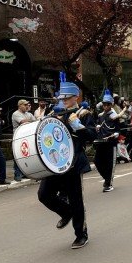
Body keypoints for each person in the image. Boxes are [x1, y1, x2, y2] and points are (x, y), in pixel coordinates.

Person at [37, 72, 96, 249]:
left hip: (74, 163)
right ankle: (66, 212)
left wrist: (78, 125)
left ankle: (81, 234)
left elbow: (92, 136)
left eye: (67, 98)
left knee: (76, 199)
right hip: (55, 163)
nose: (63, 101)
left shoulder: (83, 113)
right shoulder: (54, 114)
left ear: (76, 97)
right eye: (61, 98)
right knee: (44, 195)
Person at [94, 89, 120, 193]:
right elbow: (98, 126)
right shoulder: (101, 116)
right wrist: (97, 126)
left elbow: (118, 130)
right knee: (97, 161)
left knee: (110, 164)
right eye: (104, 105)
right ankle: (106, 178)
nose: (105, 107)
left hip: (111, 143)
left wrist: (115, 134)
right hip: (101, 142)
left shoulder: (114, 116)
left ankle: (108, 183)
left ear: (111, 105)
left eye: (107, 105)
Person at [11, 99, 35, 181]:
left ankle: (25, 173)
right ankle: (17, 174)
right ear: (20, 105)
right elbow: (23, 122)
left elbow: (35, 122)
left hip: (27, 136)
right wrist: (31, 121)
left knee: (26, 155)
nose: (27, 106)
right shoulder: (16, 114)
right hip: (18, 137)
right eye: (25, 105)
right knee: (18, 156)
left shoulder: (29, 114)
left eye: (27, 105)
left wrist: (31, 121)